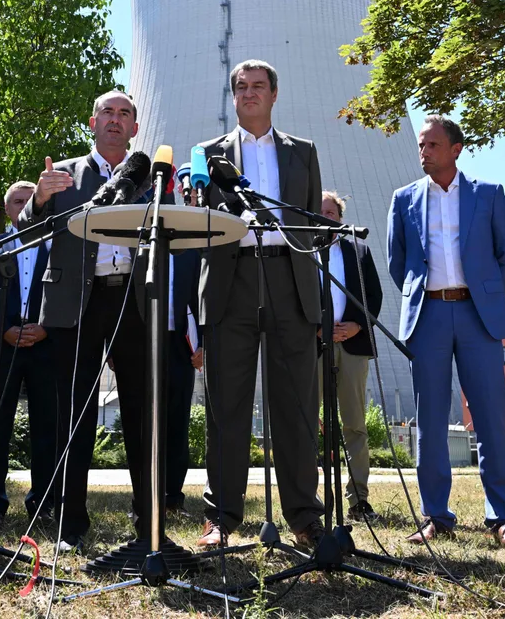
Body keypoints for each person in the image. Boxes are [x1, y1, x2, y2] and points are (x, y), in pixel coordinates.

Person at [192, 60, 326, 551]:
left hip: (288, 279)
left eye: (258, 87)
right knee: (226, 407)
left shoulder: (302, 153)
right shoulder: (209, 154)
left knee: (295, 406)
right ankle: (221, 518)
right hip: (232, 281)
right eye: (240, 88)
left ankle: (305, 517)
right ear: (233, 97)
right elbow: (199, 222)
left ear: (274, 94)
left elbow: (310, 227)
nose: (249, 94)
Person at [17, 90, 150, 553]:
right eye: (107, 113)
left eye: (124, 114)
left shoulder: (151, 178)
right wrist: (37, 199)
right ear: (91, 123)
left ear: (135, 127)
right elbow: (28, 234)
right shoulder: (64, 175)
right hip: (76, 305)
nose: (115, 121)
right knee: (75, 415)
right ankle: (71, 522)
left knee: (140, 413)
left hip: (134, 301)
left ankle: (147, 521)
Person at [387, 114, 505, 548]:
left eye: (431, 145)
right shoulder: (404, 198)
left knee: (489, 419)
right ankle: (436, 516)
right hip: (428, 316)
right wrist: (422, 295)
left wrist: (484, 294)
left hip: (476, 318)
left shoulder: (488, 195)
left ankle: (501, 518)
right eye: (421, 145)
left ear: (455, 149)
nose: (423, 152)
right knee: (429, 420)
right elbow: (398, 261)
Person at [0, 181, 57, 526]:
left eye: (31, 200)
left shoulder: (58, 245)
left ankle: (45, 504)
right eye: (17, 201)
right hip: (0, 344)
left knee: (48, 429)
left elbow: (68, 292)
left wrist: (47, 326)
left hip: (45, 345)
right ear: (7, 209)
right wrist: (2, 328)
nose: (24, 206)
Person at [315, 190, 384, 523]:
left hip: (352, 346)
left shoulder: (358, 250)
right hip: (314, 347)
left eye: (332, 213)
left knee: (354, 424)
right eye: (320, 212)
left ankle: (358, 498)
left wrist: (357, 326)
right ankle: (313, 500)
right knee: (307, 425)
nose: (326, 218)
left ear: (340, 218)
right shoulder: (301, 252)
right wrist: (313, 328)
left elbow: (375, 296)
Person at [163, 247, 203, 514]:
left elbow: (204, 301)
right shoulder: (139, 247)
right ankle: (144, 499)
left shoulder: (192, 253)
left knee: (178, 424)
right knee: (144, 426)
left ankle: (173, 499)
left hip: (182, 346)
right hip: (144, 343)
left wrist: (205, 345)